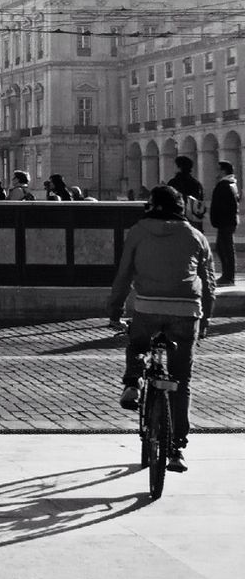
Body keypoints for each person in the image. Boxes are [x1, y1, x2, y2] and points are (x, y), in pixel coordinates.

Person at [108, 185, 215, 473]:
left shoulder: (139, 231)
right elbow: (208, 283)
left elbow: (124, 274)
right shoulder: (196, 236)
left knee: (138, 342)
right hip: (186, 311)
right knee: (181, 380)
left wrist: (115, 311)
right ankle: (177, 448)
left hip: (148, 307)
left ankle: (132, 382)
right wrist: (204, 321)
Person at [209, 161, 240, 286]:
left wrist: (216, 219)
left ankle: (228, 277)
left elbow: (220, 205)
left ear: (223, 171)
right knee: (225, 248)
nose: (215, 172)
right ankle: (228, 276)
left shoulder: (224, 185)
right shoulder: (232, 184)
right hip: (229, 221)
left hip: (225, 221)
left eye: (218, 169)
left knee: (224, 249)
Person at [167, 155, 206, 233]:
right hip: (193, 219)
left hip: (177, 219)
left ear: (179, 167)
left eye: (174, 165)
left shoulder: (173, 183)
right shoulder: (196, 184)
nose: (172, 167)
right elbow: (200, 202)